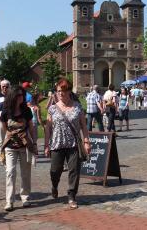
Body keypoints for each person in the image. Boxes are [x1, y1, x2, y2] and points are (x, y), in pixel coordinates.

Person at [44, 78, 91, 209]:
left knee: (74, 170)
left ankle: (71, 196)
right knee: (55, 170)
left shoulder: (77, 106)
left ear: (69, 91)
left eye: (63, 91)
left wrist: (86, 141)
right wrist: (46, 145)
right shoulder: (52, 109)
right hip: (57, 144)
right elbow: (48, 128)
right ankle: (54, 185)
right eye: (58, 91)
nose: (60, 93)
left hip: (73, 144)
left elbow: (83, 126)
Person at [0, 85, 37, 211]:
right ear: (13, 96)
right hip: (10, 147)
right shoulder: (6, 112)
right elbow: (3, 127)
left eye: (22, 95)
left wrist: (34, 142)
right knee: (10, 172)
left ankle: (25, 198)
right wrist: (7, 136)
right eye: (19, 95)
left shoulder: (26, 110)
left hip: (24, 146)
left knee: (25, 174)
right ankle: (9, 201)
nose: (22, 97)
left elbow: (31, 127)